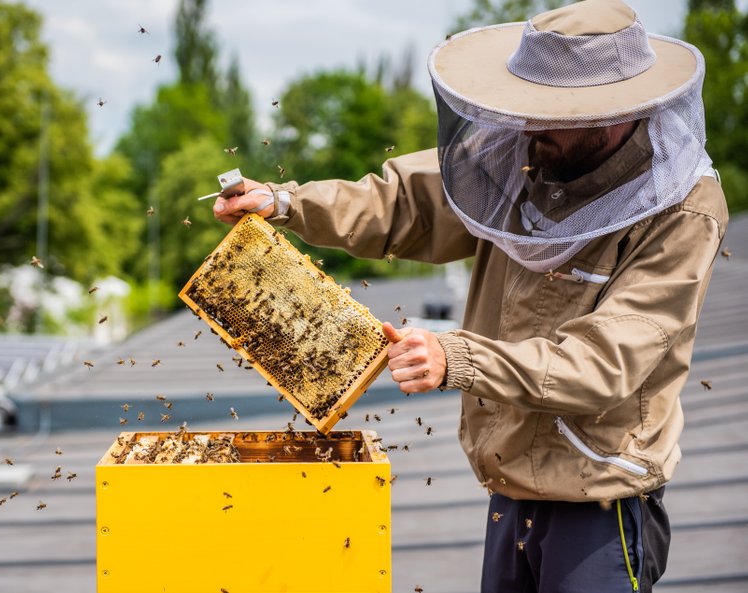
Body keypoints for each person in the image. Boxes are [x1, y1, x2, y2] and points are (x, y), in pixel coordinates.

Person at [212, 0, 729, 591]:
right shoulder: (520, 157)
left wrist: (457, 355)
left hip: (599, 498)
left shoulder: (681, 211)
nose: (531, 128)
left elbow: (607, 360)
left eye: (554, 115)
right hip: (509, 487)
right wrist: (284, 203)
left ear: (615, 115)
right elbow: (403, 203)